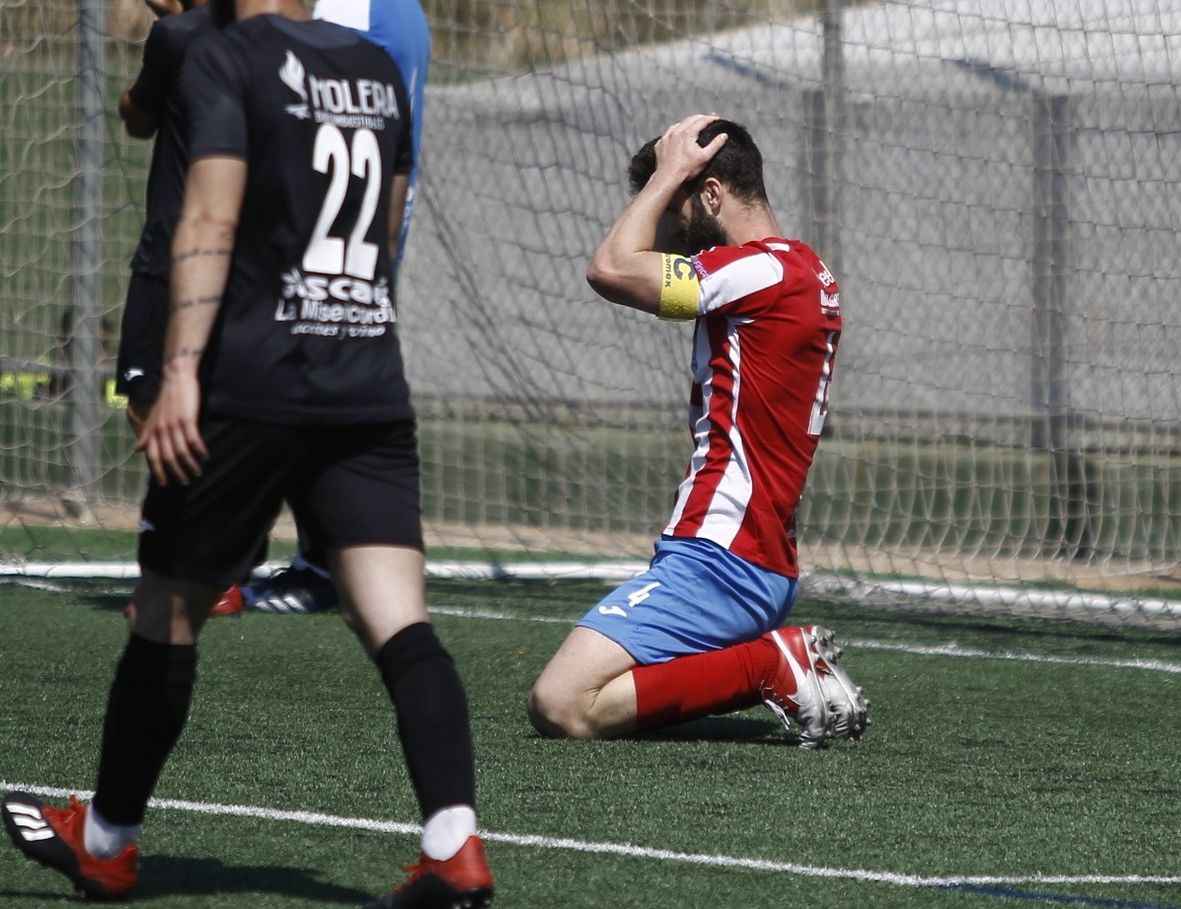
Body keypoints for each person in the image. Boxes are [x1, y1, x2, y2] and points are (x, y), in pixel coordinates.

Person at [1, 0, 494, 905]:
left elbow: (208, 220)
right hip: (364, 382)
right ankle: (454, 845)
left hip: (254, 381)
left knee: (166, 611)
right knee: (398, 621)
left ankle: (106, 841)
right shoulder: (379, 68)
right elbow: (382, 225)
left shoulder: (225, 56)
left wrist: (182, 366)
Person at [526, 115, 869, 750]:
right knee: (593, 697)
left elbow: (610, 268)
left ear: (712, 193)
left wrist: (669, 172)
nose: (668, 231)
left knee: (562, 702)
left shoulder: (757, 271)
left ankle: (775, 664)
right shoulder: (803, 271)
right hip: (754, 557)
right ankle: (769, 662)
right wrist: (671, 179)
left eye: (678, 206)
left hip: (722, 557)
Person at [236, 0, 431, 615]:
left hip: (330, 236)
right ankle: (324, 558)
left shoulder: (357, 21)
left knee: (306, 358)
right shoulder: (396, 16)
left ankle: (318, 560)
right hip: (355, 231)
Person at [113, 0, 244, 617]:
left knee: (147, 399)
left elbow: (138, 119)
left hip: (174, 253)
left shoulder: (178, 36)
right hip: (254, 257)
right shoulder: (294, 41)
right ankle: (220, 564)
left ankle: (195, 567)